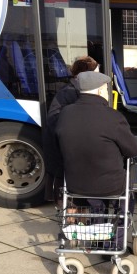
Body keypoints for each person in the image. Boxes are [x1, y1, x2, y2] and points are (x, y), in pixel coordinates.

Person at [56, 71, 137, 197]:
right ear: (100, 91)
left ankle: (95, 210)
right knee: (130, 166)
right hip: (111, 187)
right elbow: (132, 150)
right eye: (106, 89)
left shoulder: (64, 113)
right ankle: (122, 213)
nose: (107, 93)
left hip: (74, 186)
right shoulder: (113, 117)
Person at [43, 56, 99, 203]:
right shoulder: (70, 92)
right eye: (96, 72)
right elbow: (55, 121)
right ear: (86, 74)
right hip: (63, 147)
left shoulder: (75, 88)